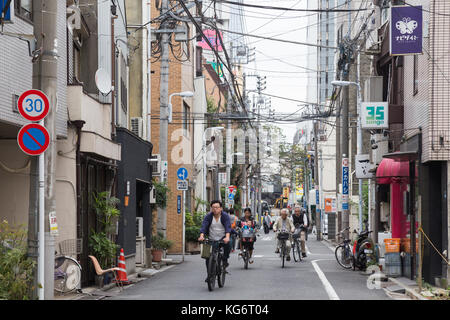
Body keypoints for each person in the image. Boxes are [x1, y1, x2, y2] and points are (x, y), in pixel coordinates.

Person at [198, 200, 231, 281]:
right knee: (207, 256)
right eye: (213, 207)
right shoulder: (208, 216)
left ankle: (225, 260)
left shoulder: (225, 216)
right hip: (211, 238)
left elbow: (228, 227)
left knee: (229, 244)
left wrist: (227, 237)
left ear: (221, 208)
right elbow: (204, 226)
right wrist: (201, 236)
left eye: (217, 207)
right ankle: (209, 274)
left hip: (222, 238)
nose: (215, 209)